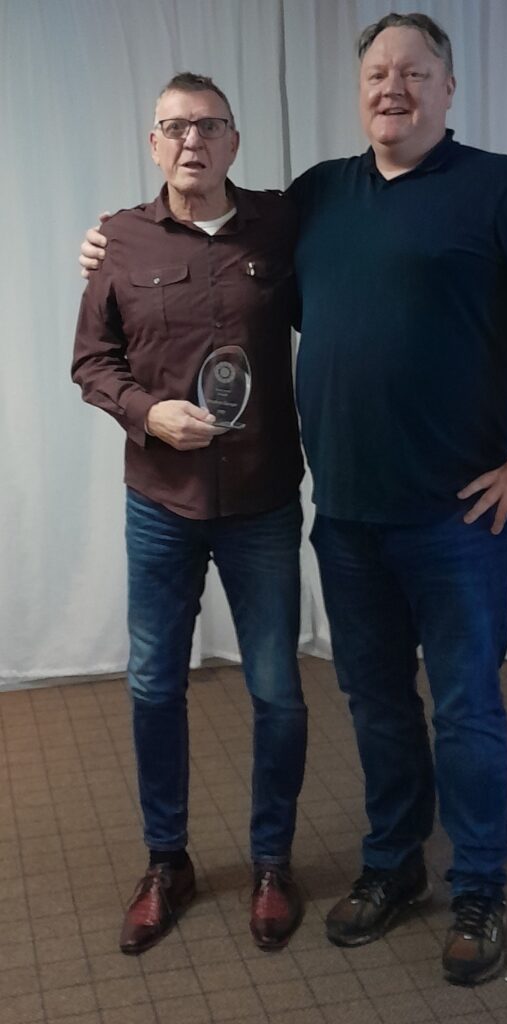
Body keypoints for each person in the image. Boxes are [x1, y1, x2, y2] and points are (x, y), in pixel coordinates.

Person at [79, 13, 507, 985]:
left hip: (452, 516)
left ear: (448, 91)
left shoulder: (495, 188)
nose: (393, 87)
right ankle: (393, 864)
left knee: (462, 709)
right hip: (345, 517)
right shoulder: (320, 197)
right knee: (373, 706)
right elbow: (152, 303)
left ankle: (480, 889)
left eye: (415, 72)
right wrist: (106, 251)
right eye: (378, 72)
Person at [72, 72, 307, 956]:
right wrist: (145, 413)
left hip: (261, 502)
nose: (190, 142)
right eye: (173, 127)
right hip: (160, 504)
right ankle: (166, 861)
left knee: (277, 690)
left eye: (208, 126)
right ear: (153, 143)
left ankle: (272, 862)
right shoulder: (120, 242)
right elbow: (92, 362)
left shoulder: (284, 224)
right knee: (151, 684)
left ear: (235, 142)